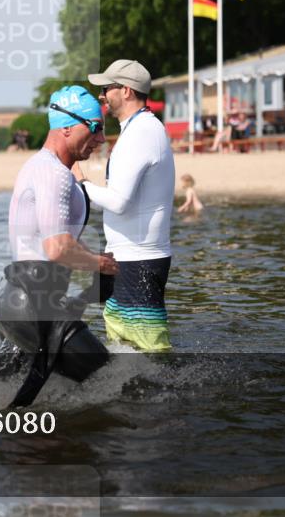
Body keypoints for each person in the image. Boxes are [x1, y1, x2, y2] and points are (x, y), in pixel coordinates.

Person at [0, 85, 116, 408]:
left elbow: (60, 238)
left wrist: (92, 272)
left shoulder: (44, 167)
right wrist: (101, 264)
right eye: (95, 127)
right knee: (114, 383)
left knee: (11, 404)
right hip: (34, 307)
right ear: (66, 127)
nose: (101, 138)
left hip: (14, 304)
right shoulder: (53, 174)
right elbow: (57, 249)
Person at [72, 59, 175, 352]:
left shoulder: (142, 131)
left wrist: (82, 183)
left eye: (107, 88)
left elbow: (118, 202)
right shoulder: (137, 129)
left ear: (127, 91)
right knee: (122, 344)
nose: (102, 95)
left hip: (139, 258)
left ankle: (172, 395)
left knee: (151, 349)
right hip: (125, 256)